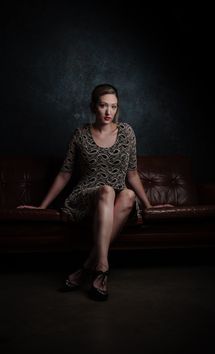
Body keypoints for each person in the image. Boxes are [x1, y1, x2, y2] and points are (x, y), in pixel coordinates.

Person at [18, 83, 172, 301]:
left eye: (113, 107)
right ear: (93, 107)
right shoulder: (80, 134)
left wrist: (150, 207)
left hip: (117, 198)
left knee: (128, 194)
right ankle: (102, 267)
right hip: (86, 196)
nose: (109, 112)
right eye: (103, 106)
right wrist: (41, 208)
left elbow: (133, 174)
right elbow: (64, 173)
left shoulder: (127, 132)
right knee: (106, 191)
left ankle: (88, 267)